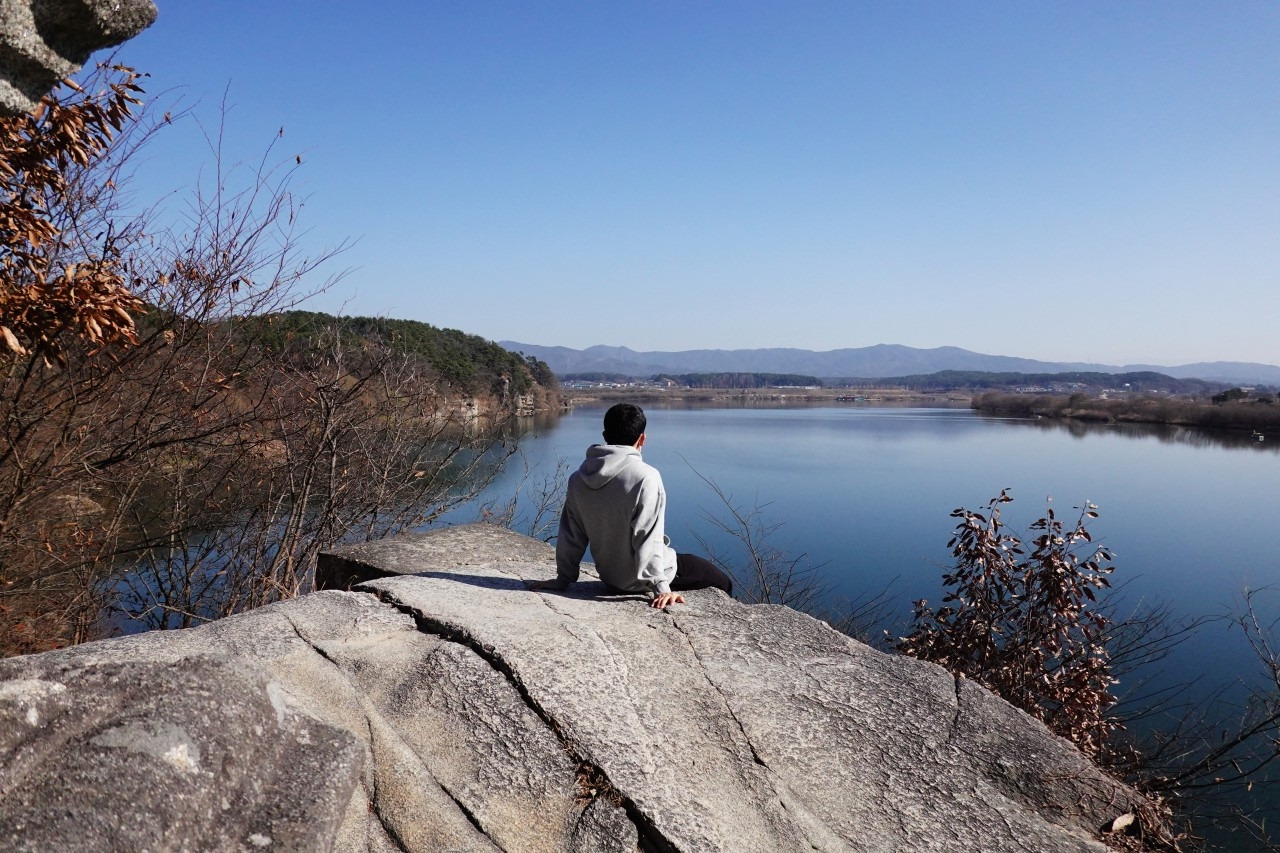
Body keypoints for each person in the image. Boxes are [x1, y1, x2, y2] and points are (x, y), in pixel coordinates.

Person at [527, 403, 733, 608]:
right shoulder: (645, 477)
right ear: (642, 438)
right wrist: (661, 587)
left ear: (605, 436)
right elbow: (647, 537)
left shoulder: (578, 479)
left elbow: (571, 536)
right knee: (722, 581)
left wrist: (563, 579)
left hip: (611, 578)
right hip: (643, 580)